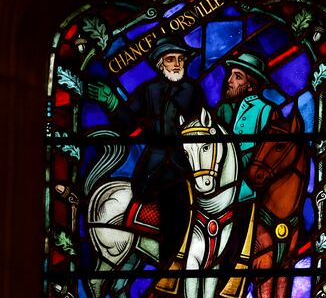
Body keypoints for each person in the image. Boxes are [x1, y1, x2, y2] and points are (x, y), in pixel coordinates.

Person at [86, 38, 205, 270]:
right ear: (160, 64)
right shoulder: (148, 91)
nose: (177, 64)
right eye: (171, 60)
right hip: (157, 165)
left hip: (189, 160)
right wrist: (110, 101)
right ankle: (170, 266)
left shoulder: (191, 90)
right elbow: (127, 123)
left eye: (180, 59)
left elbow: (199, 124)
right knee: (174, 205)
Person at [215, 51, 277, 201]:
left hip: (248, 185)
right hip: (218, 181)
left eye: (238, 77)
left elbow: (269, 150)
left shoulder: (265, 109)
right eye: (231, 74)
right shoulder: (223, 108)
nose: (229, 81)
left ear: (250, 85)